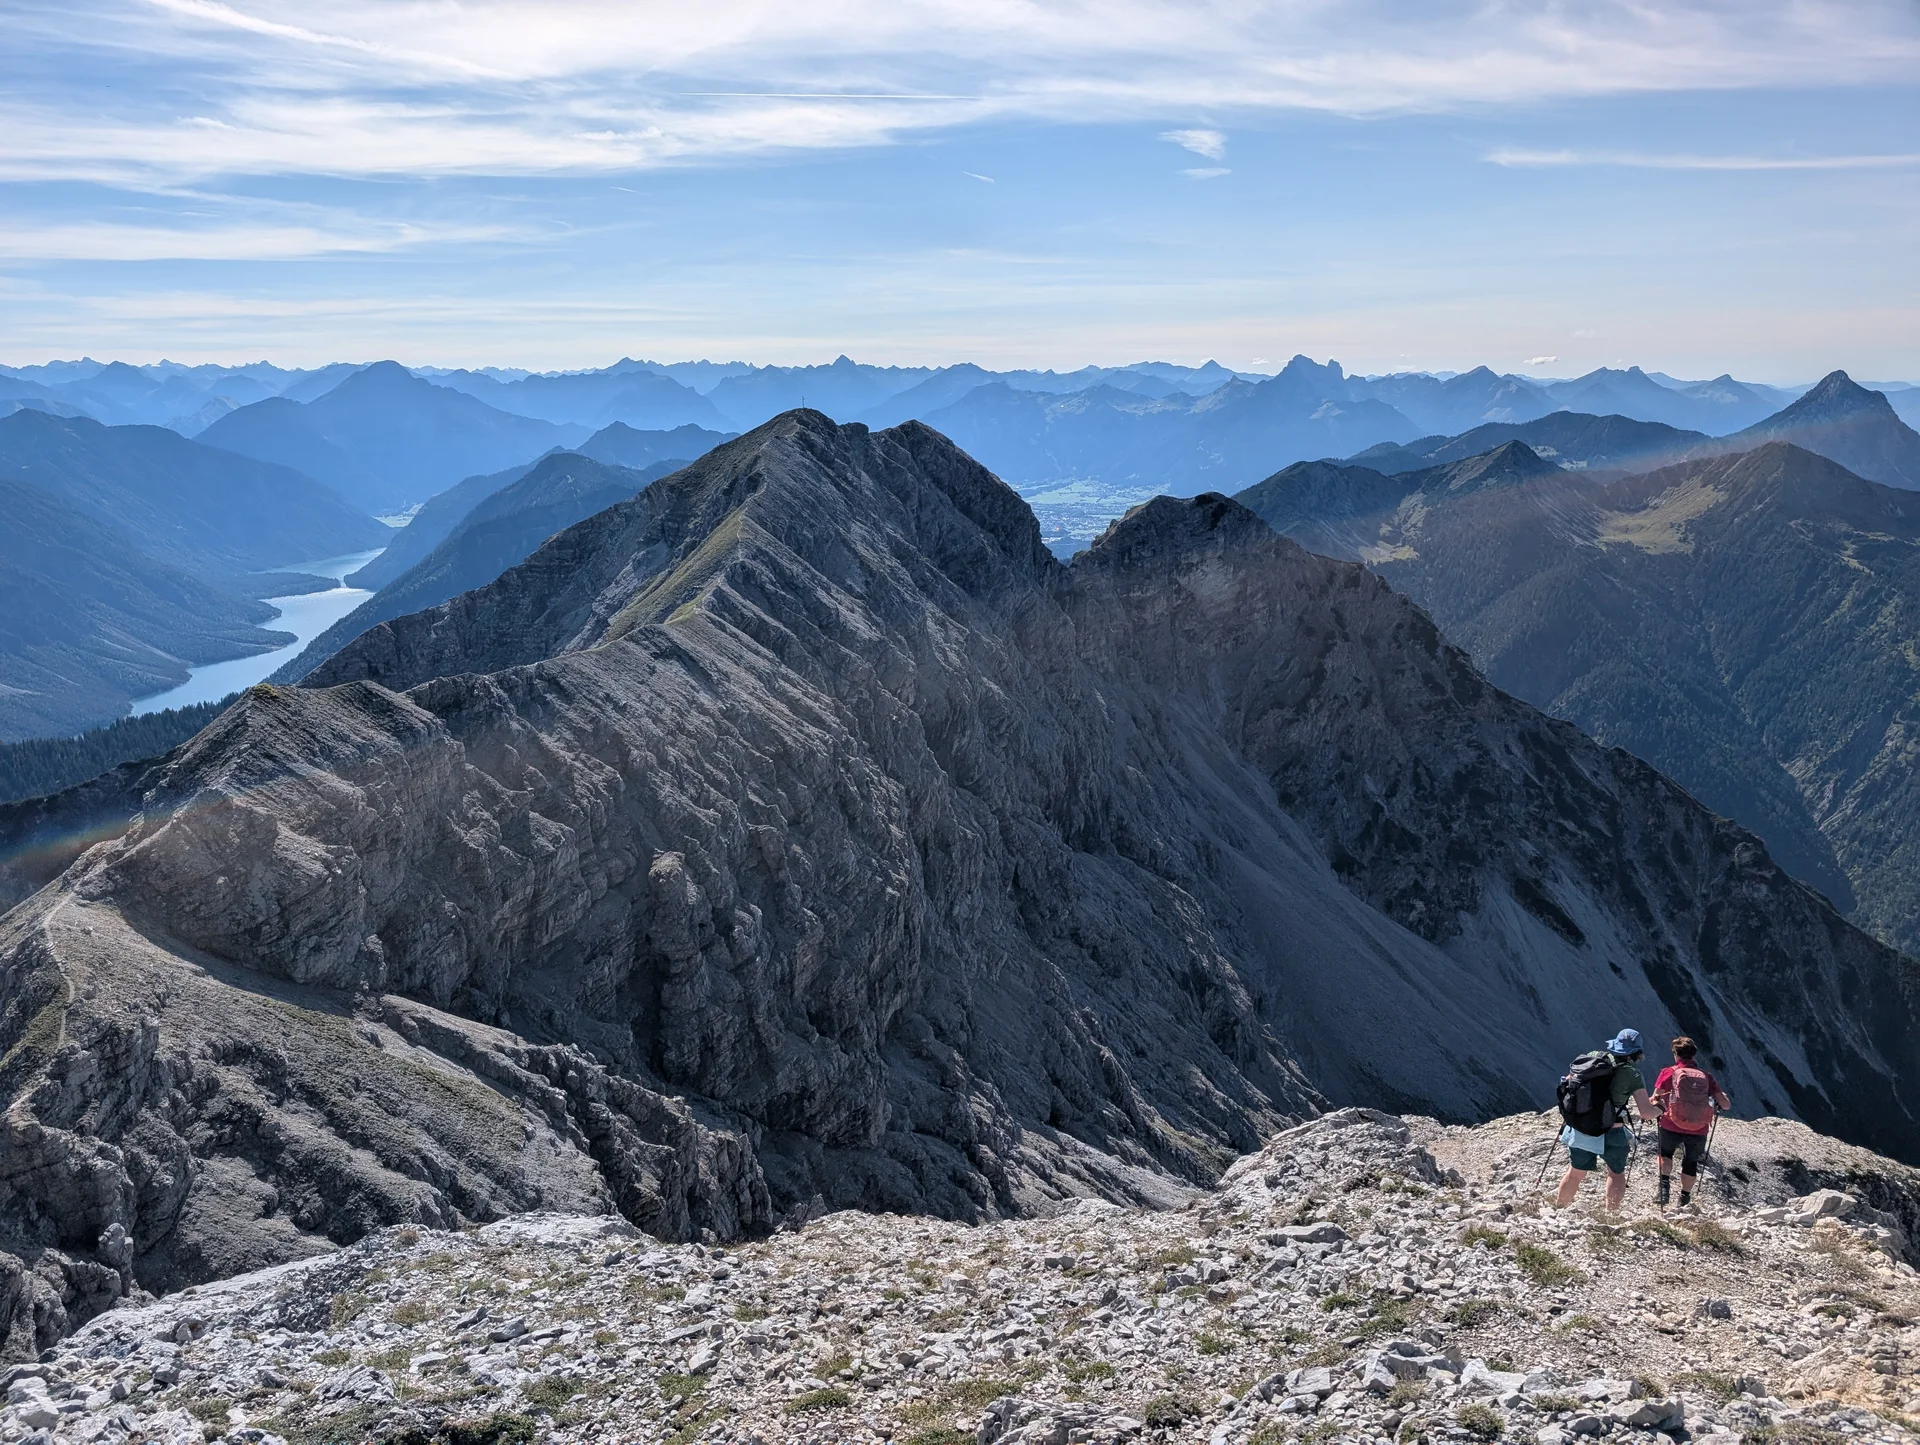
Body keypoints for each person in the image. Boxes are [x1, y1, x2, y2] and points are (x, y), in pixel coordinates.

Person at [1554, 1028, 1655, 1212]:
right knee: (1616, 1174)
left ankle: (1559, 1209)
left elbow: (1569, 1082)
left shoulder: (1592, 1057)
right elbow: (1646, 1112)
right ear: (1637, 1053)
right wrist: (1661, 1108)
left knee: (1575, 1173)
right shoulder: (1632, 1075)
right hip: (1612, 1130)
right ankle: (1611, 1215)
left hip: (1582, 1126)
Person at [1651, 1036, 1731, 1208]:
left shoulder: (1669, 1072)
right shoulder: (1706, 1076)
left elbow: (1656, 1098)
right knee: (1690, 1161)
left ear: (1676, 1054)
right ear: (1693, 1055)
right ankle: (1684, 1200)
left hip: (1671, 1123)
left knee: (1665, 1154)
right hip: (1698, 1128)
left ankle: (1663, 1189)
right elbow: (1725, 1104)